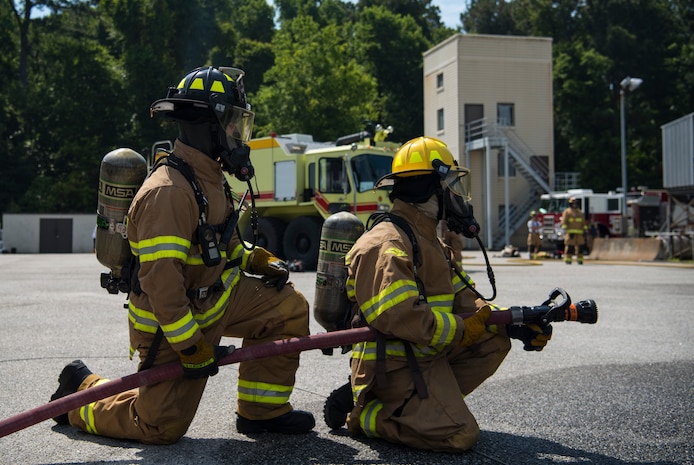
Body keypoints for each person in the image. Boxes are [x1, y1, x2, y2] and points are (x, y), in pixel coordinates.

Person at [50, 66, 314, 444]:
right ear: (208, 125)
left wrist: (254, 258)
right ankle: (80, 394)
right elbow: (162, 287)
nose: (238, 135)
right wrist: (191, 346)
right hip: (171, 323)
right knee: (158, 426)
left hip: (215, 299)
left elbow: (222, 243)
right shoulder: (169, 193)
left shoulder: (210, 176)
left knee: (287, 309)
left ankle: (262, 412)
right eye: (233, 124)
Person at [324, 136, 552, 453]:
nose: (456, 196)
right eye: (449, 185)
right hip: (394, 367)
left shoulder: (429, 241)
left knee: (492, 339)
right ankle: (367, 413)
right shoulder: (386, 244)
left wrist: (512, 323)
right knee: (460, 435)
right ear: (428, 189)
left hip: (424, 355)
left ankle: (423, 407)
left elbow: (467, 300)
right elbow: (402, 317)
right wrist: (462, 329)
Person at [561, 197, 588, 264]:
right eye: (573, 203)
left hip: (579, 233)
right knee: (570, 247)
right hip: (570, 233)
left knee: (580, 247)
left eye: (575, 203)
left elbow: (583, 222)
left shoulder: (580, 212)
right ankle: (568, 259)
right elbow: (564, 221)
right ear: (570, 204)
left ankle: (580, 259)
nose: (574, 204)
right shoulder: (567, 211)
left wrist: (585, 230)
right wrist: (565, 228)